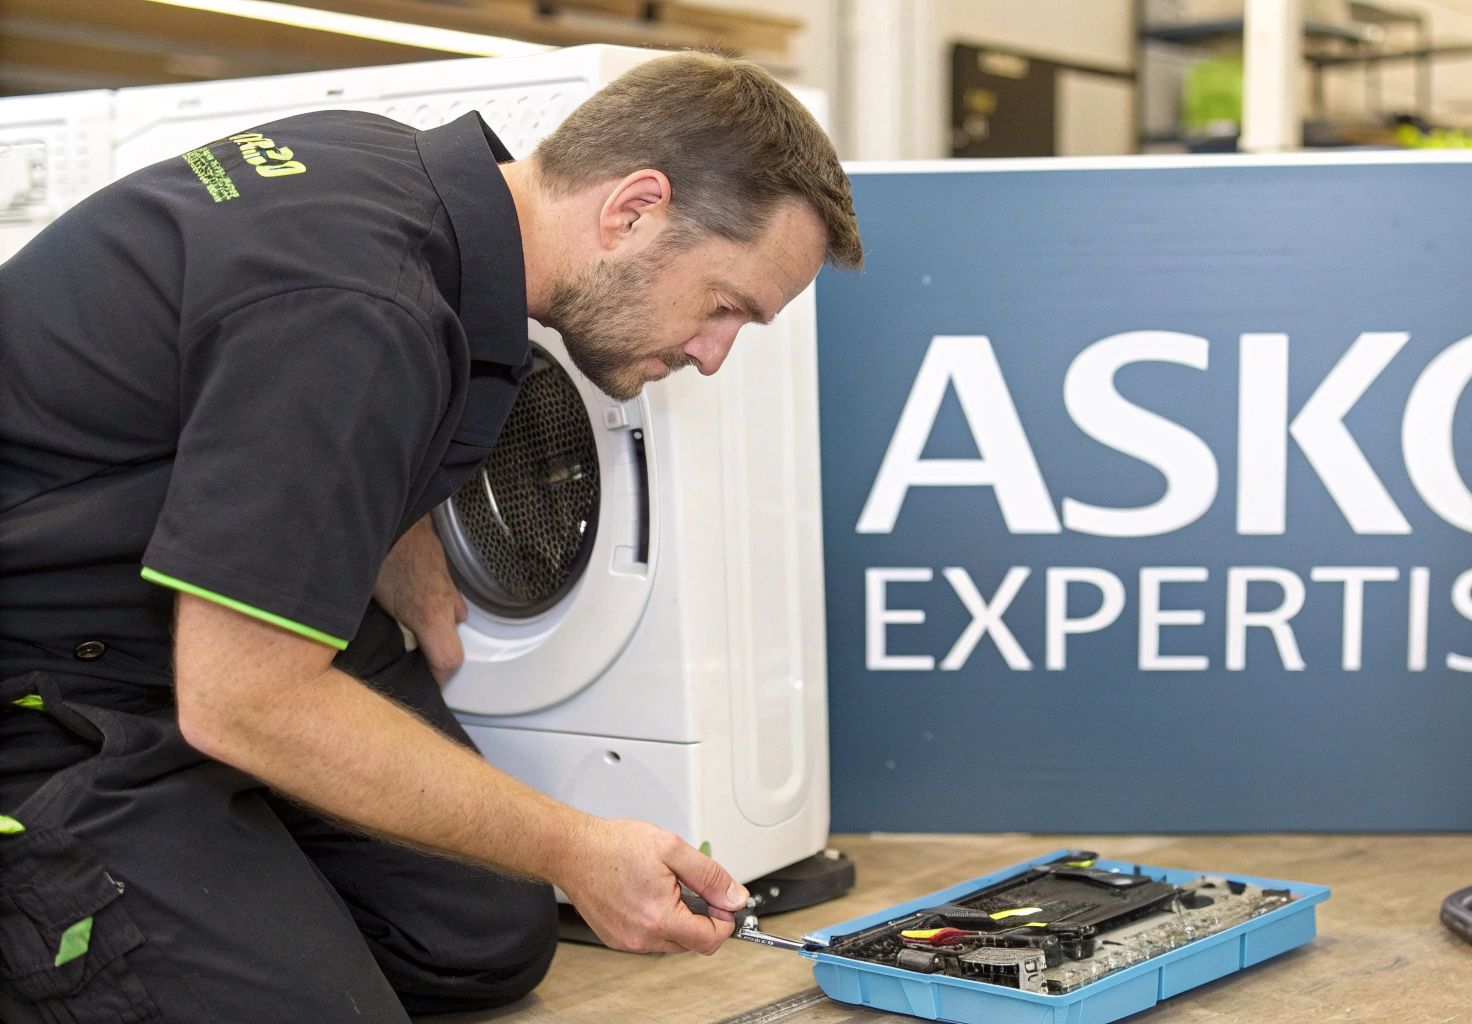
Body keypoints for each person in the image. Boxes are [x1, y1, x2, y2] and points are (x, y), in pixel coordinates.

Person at [0, 50, 863, 1023]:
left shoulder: (396, 180)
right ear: (633, 210)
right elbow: (242, 699)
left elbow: (278, 395)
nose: (713, 357)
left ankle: (208, 868)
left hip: (172, 610)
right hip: (48, 684)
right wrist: (575, 845)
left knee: (478, 937)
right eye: (724, 307)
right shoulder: (363, 310)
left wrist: (393, 527)